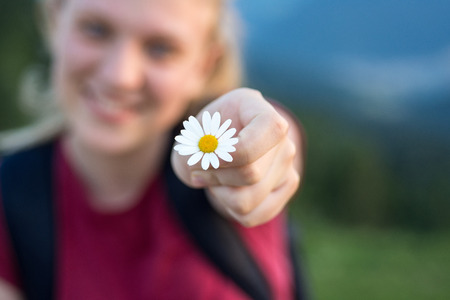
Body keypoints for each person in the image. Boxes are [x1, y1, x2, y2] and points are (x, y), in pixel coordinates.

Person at [0, 0, 306, 299]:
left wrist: (263, 146)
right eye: (95, 29)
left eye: (160, 48)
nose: (119, 76)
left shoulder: (223, 167)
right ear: (55, 22)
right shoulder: (11, 197)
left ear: (204, 66)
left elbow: (271, 142)